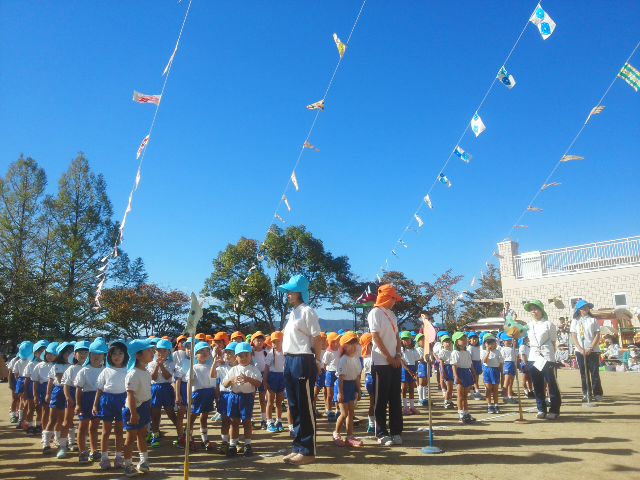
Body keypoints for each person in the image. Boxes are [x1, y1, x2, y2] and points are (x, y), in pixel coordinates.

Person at [278, 274, 323, 466]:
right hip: (290, 360)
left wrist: (318, 360)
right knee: (294, 406)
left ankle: (308, 450)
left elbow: (316, 338)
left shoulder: (308, 311)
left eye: (291, 291)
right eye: (287, 291)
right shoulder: (293, 312)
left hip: (303, 360)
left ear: (300, 292)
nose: (288, 294)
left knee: (304, 407)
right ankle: (298, 447)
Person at [367, 283, 404, 447]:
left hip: (394, 361)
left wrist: (397, 354)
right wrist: (388, 357)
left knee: (396, 397)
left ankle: (396, 431)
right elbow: (375, 337)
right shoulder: (375, 313)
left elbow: (397, 337)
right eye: (393, 298)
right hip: (381, 362)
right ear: (386, 298)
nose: (395, 302)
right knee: (380, 399)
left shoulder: (392, 314)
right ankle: (381, 433)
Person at [93, 339, 129, 469]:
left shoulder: (127, 370)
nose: (117, 356)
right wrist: (95, 405)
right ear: (109, 356)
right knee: (106, 431)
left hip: (123, 401)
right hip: (107, 401)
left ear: (125, 355)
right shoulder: (105, 371)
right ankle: (104, 457)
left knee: (119, 431)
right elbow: (100, 389)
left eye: (120, 353)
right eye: (114, 354)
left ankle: (119, 457)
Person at [223, 342, 263, 457]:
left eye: (246, 355)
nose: (244, 358)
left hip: (247, 398)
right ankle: (232, 444)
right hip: (234, 396)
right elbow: (225, 384)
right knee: (234, 421)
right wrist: (232, 381)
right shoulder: (234, 369)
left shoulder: (254, 369)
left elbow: (259, 383)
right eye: (240, 355)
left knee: (247, 421)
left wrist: (248, 379)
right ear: (236, 357)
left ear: (251, 356)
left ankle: (247, 444)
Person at [524, 300, 561, 420]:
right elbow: (519, 334)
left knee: (551, 383)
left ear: (541, 310)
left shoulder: (549, 324)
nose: (533, 311)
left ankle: (554, 409)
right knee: (537, 383)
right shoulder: (528, 325)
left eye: (536, 309)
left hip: (546, 355)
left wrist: (550, 355)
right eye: (531, 309)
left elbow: (554, 341)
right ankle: (541, 408)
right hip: (533, 356)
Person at [122, 339, 154, 477]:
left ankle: (143, 461)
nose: (152, 353)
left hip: (144, 407)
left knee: (142, 435)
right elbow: (130, 395)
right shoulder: (133, 373)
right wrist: (133, 413)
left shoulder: (146, 372)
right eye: (148, 351)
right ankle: (128, 464)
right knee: (130, 438)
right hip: (133, 409)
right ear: (138, 355)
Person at [75, 338, 107, 463]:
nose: (97, 356)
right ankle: (82, 451)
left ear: (104, 355)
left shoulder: (105, 370)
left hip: (99, 399)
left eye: (100, 353)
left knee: (94, 426)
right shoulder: (84, 370)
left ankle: (94, 451)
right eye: (94, 353)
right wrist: (78, 404)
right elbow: (78, 388)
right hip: (86, 399)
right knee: (83, 426)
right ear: (90, 354)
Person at [332, 331, 363, 447]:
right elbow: (340, 378)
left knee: (351, 413)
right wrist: (340, 393)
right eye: (351, 343)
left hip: (351, 386)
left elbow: (356, 377)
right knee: (344, 413)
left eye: (355, 343)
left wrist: (358, 390)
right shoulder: (343, 359)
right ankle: (336, 433)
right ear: (344, 346)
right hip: (342, 386)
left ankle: (350, 436)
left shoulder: (356, 359)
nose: (354, 346)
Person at [147, 338, 180, 448]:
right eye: (159, 350)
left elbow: (167, 377)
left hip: (166, 388)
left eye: (164, 351)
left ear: (169, 352)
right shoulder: (151, 363)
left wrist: (161, 366)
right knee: (155, 414)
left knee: (171, 413)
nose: (161, 353)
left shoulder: (171, 363)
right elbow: (153, 378)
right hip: (155, 389)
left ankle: (181, 434)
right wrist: (157, 366)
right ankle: (155, 435)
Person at [60, 341, 90, 457]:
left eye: (86, 352)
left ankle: (81, 445)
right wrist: (68, 397)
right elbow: (66, 384)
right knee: (67, 421)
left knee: (85, 423)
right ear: (75, 354)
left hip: (87, 396)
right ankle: (63, 446)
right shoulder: (71, 369)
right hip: (72, 395)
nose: (83, 354)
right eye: (80, 352)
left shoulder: (91, 368)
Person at [185, 341, 216, 451]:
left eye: (207, 350)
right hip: (197, 395)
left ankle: (205, 439)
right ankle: (188, 438)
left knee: (204, 417)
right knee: (192, 418)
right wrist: (189, 399)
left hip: (208, 394)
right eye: (201, 351)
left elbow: (214, 382)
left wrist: (216, 396)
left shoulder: (210, 366)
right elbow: (189, 383)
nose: (204, 353)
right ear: (195, 355)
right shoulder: (193, 367)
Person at [44, 342, 74, 458]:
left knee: (66, 419)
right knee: (53, 418)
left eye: (71, 352)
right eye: (66, 352)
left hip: (71, 391)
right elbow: (58, 380)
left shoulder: (75, 366)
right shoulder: (57, 365)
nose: (69, 354)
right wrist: (48, 394)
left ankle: (63, 441)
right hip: (59, 392)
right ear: (61, 354)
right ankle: (46, 443)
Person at [570, 300, 603, 402]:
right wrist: (580, 348)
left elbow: (597, 335)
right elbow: (574, 335)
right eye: (583, 308)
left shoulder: (593, 320)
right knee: (583, 373)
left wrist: (591, 348)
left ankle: (597, 393)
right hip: (580, 351)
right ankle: (586, 393)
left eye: (587, 307)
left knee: (594, 373)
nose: (585, 309)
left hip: (593, 350)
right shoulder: (575, 321)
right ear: (579, 310)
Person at [212, 341, 236, 454]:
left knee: (235, 421)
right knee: (225, 421)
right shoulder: (221, 367)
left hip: (236, 395)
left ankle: (233, 442)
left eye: (230, 353)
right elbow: (212, 376)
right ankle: (224, 442)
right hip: (225, 396)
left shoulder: (241, 368)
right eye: (226, 353)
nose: (227, 355)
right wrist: (214, 362)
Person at [451, 332, 476, 424]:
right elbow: (454, 366)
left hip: (467, 373)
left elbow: (470, 365)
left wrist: (473, 373)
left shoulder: (467, 352)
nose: (465, 341)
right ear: (457, 342)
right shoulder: (455, 352)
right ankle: (461, 414)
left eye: (465, 339)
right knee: (460, 395)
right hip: (460, 373)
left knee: (465, 396)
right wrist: (456, 377)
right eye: (462, 339)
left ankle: (466, 412)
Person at [265, 331, 286, 433]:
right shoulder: (270, 353)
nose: (275, 344)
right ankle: (269, 422)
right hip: (272, 378)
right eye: (273, 342)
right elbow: (266, 368)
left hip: (282, 378)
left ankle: (279, 421)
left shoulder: (285, 353)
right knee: (270, 401)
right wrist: (265, 381)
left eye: (278, 341)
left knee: (279, 402)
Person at [250, 331, 269, 429]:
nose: (260, 342)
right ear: (253, 341)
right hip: (252, 376)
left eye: (262, 340)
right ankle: (251, 420)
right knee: (251, 400)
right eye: (257, 340)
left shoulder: (266, 352)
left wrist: (265, 379)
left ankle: (263, 420)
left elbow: (267, 366)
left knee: (262, 400)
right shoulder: (250, 352)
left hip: (263, 376)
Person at [322, 332, 341, 422]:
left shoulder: (340, 350)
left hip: (338, 373)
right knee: (330, 394)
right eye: (335, 341)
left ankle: (338, 410)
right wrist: (327, 373)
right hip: (330, 373)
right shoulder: (328, 353)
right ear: (330, 342)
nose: (337, 342)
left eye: (338, 340)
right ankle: (329, 411)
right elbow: (324, 364)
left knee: (337, 393)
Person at [399, 331, 419, 415]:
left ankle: (412, 406)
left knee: (411, 388)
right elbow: (401, 361)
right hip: (405, 370)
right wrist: (409, 371)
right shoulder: (401, 350)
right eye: (404, 339)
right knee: (404, 388)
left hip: (413, 369)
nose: (406, 341)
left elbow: (416, 361)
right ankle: (405, 407)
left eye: (408, 339)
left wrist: (415, 372)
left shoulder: (414, 350)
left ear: (411, 339)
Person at [482, 334, 503, 414]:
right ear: (486, 344)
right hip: (487, 370)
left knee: (495, 389)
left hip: (495, 370)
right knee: (488, 388)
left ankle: (496, 404)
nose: (492, 345)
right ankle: (489, 405)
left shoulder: (498, 352)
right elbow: (485, 361)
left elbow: (500, 363)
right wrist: (488, 352)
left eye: (493, 343)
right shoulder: (484, 352)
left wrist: (502, 372)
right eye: (489, 343)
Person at [499, 333, 517, 404]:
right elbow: (501, 359)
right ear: (503, 342)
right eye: (507, 341)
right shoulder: (503, 349)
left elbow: (515, 358)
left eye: (510, 340)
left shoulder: (513, 349)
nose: (509, 342)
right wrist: (502, 366)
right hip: (507, 364)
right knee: (506, 381)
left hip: (512, 364)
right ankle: (505, 397)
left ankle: (510, 396)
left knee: (511, 382)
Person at [437, 335, 454, 409]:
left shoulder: (452, 351)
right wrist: (443, 372)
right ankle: (446, 401)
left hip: (451, 368)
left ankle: (449, 400)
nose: (448, 343)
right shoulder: (442, 352)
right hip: (446, 368)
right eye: (446, 342)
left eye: (449, 341)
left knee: (451, 387)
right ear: (442, 344)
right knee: (449, 387)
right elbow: (441, 363)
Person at [466, 332, 484, 401]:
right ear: (469, 340)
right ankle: (475, 392)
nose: (474, 340)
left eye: (476, 338)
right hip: (472, 363)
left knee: (476, 378)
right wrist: (471, 366)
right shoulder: (469, 348)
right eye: (472, 339)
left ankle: (475, 393)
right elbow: (469, 358)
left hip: (478, 363)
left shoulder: (478, 347)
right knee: (474, 379)